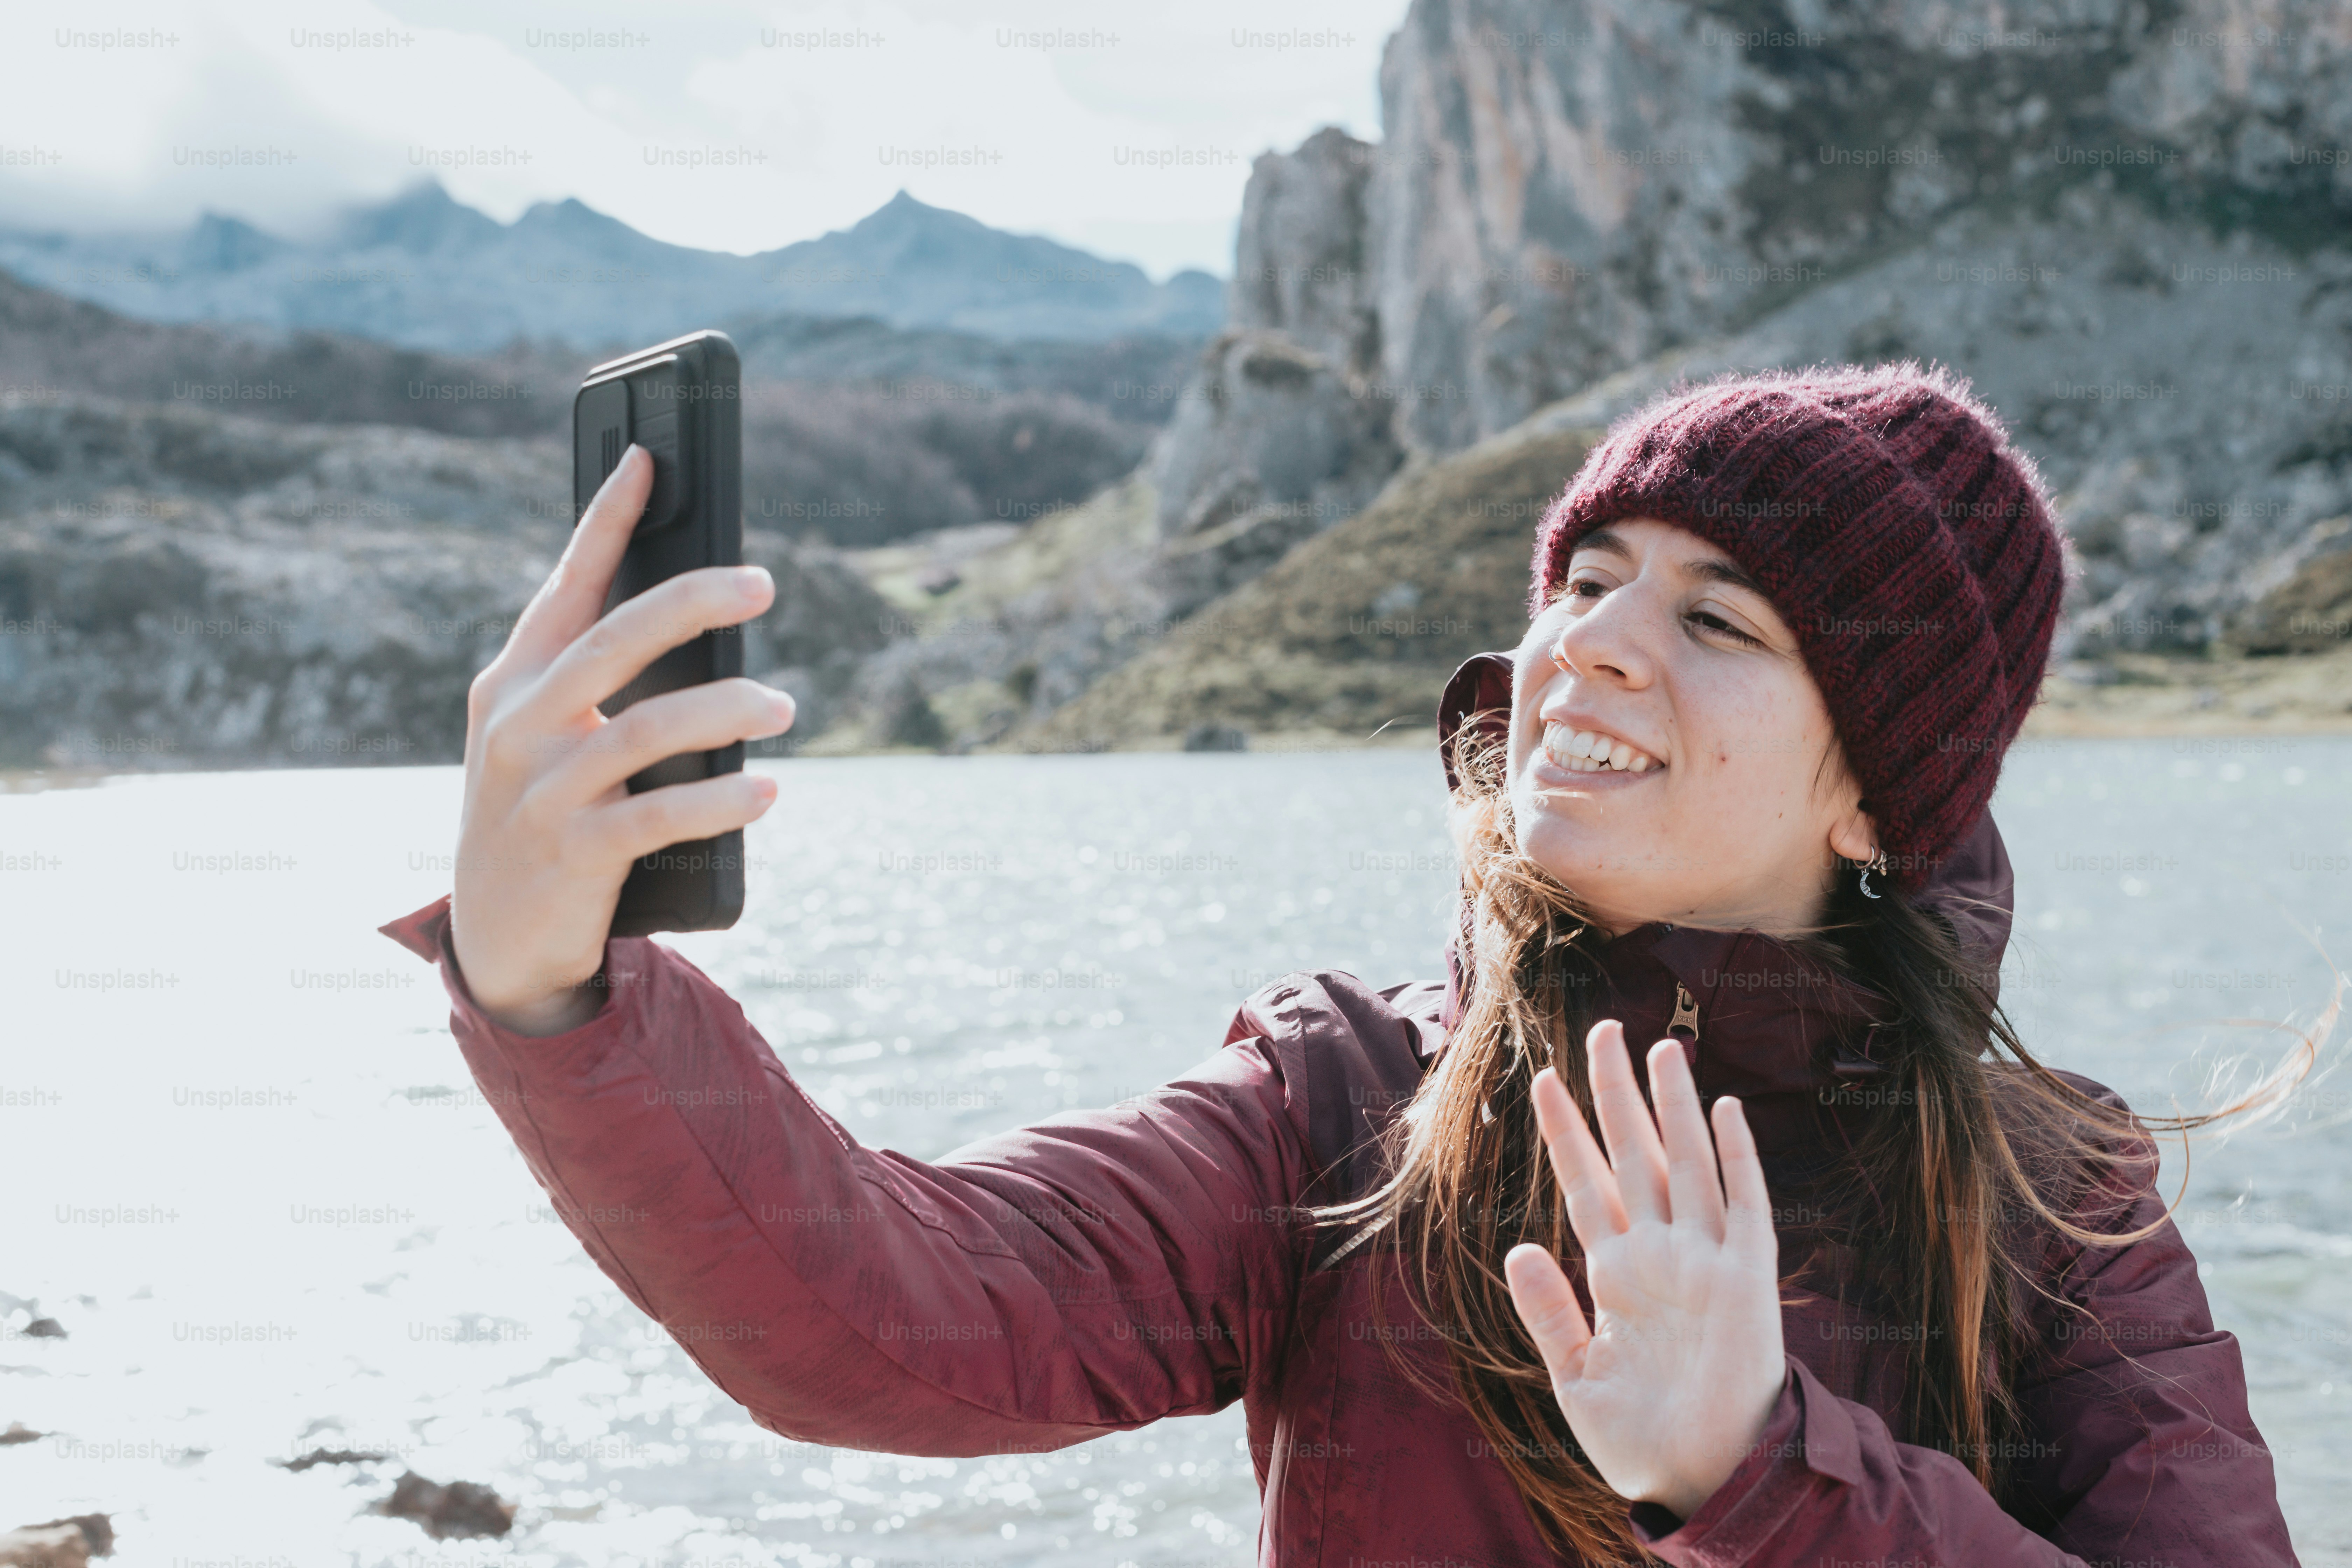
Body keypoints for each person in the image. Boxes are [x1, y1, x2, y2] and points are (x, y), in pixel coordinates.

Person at [380, 361, 2305, 1566]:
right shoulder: (1344, 1100)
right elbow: (892, 1316)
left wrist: (1762, 1473)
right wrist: (555, 986)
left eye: (1720, 615)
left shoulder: (2063, 1204)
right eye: (1584, 580)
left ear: (1880, 800)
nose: (1593, 648)